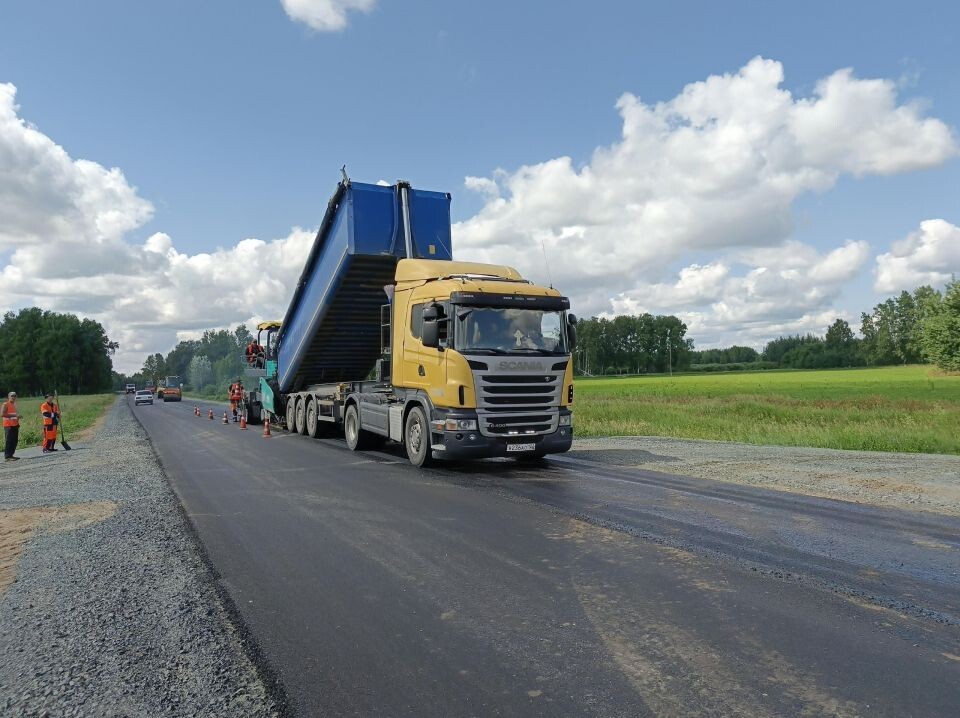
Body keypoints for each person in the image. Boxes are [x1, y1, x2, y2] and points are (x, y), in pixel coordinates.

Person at [2, 391, 21, 462]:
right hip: (8, 425)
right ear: (8, 397)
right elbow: (2, 414)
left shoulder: (14, 405)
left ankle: (11, 455)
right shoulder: (5, 404)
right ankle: (7, 456)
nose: (13, 397)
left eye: (15, 396)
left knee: (14, 440)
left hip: (15, 424)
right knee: (9, 440)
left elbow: (14, 414)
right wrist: (15, 415)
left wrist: (18, 417)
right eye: (12, 396)